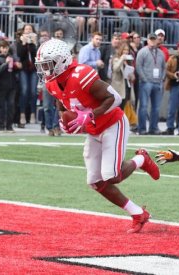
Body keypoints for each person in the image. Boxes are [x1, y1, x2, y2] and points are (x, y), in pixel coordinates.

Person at [35, 38, 160, 233]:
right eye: (42, 66)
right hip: (94, 130)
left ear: (62, 61)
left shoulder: (81, 75)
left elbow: (115, 99)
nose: (44, 70)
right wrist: (63, 120)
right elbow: (61, 104)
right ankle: (137, 213)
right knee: (95, 181)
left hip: (112, 124)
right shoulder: (52, 83)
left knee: (112, 176)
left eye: (48, 65)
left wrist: (90, 114)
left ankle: (141, 159)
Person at [135, 33, 166, 135]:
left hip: (157, 82)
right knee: (143, 106)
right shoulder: (142, 52)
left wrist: (162, 78)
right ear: (147, 40)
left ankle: (154, 128)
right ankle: (142, 128)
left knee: (156, 107)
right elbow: (138, 66)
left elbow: (164, 67)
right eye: (151, 39)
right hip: (146, 82)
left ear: (157, 40)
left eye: (154, 40)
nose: (152, 41)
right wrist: (144, 78)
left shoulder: (161, 53)